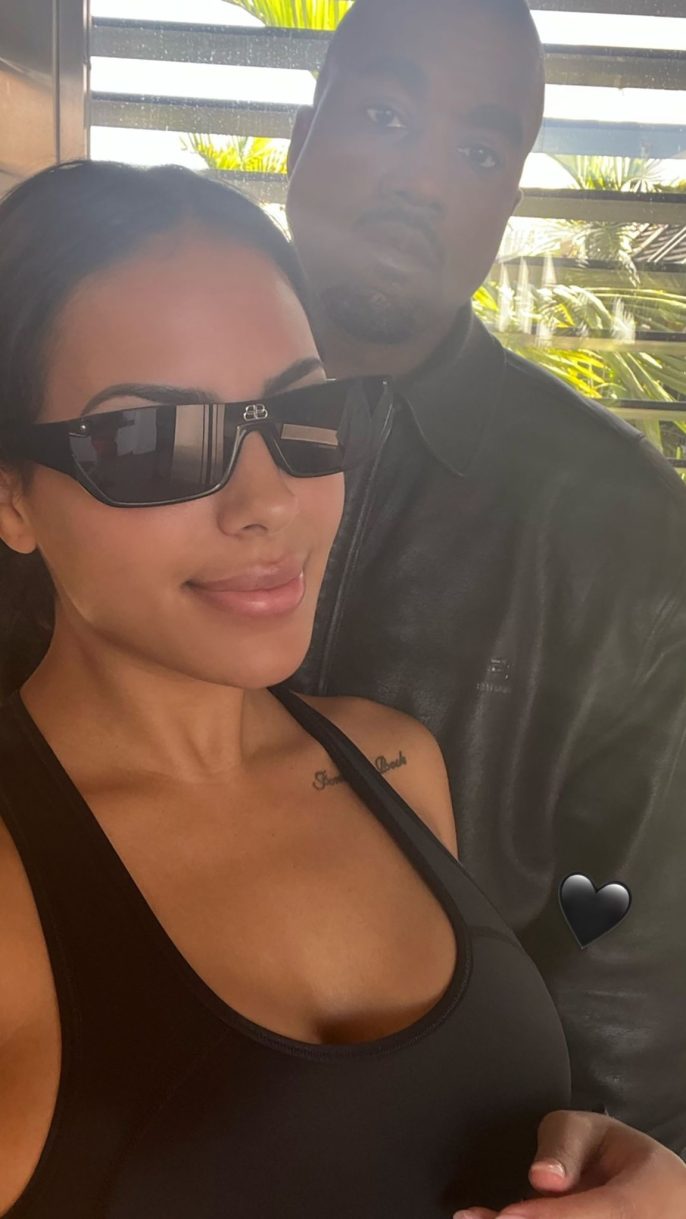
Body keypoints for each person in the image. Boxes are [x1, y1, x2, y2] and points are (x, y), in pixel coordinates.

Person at [0, 158, 577, 1218]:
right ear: (12, 496)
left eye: (304, 413)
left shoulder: (396, 764)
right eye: (154, 441)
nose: (267, 501)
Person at [285, 0, 686, 1171]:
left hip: (454, 1152)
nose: (421, 181)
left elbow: (634, 941)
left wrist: (595, 1174)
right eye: (382, 114)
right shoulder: (106, 431)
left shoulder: (620, 523)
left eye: (475, 150)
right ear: (304, 132)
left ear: (507, 196)